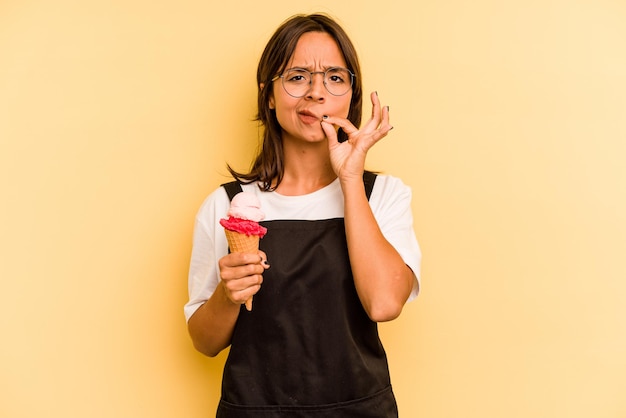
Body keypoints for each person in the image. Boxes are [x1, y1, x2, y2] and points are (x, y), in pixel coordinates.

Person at [185, 13, 421, 417]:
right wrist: (228, 295)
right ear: (269, 94)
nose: (316, 92)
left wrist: (349, 180)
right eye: (297, 77)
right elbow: (204, 341)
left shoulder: (382, 195)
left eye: (334, 77)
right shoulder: (227, 204)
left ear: (351, 93)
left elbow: (384, 303)